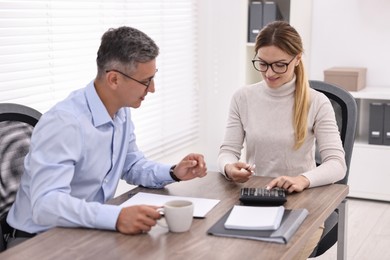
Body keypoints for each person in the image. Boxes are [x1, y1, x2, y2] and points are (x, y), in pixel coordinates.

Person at [6, 26, 207, 244]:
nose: (152, 89)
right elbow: (47, 205)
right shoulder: (65, 123)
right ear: (113, 79)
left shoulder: (121, 111)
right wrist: (116, 216)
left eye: (153, 78)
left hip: (84, 232)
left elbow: (131, 165)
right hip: (38, 241)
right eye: (146, 81)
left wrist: (174, 172)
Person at [217, 21, 346, 259]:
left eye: (280, 65)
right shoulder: (243, 97)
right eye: (263, 63)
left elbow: (337, 164)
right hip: (254, 200)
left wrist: (303, 179)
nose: (269, 73)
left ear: (297, 59)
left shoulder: (317, 103)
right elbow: (227, 151)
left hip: (301, 203)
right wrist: (228, 166)